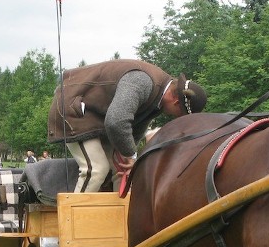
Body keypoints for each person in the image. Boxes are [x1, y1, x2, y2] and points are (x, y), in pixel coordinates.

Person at [47, 59, 207, 192]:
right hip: (74, 107)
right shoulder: (142, 81)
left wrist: (131, 159)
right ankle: (76, 224)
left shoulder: (159, 100)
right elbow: (116, 121)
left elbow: (135, 128)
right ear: (176, 101)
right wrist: (132, 155)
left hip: (100, 117)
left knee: (126, 170)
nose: (175, 117)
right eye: (180, 114)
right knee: (96, 169)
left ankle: (121, 220)